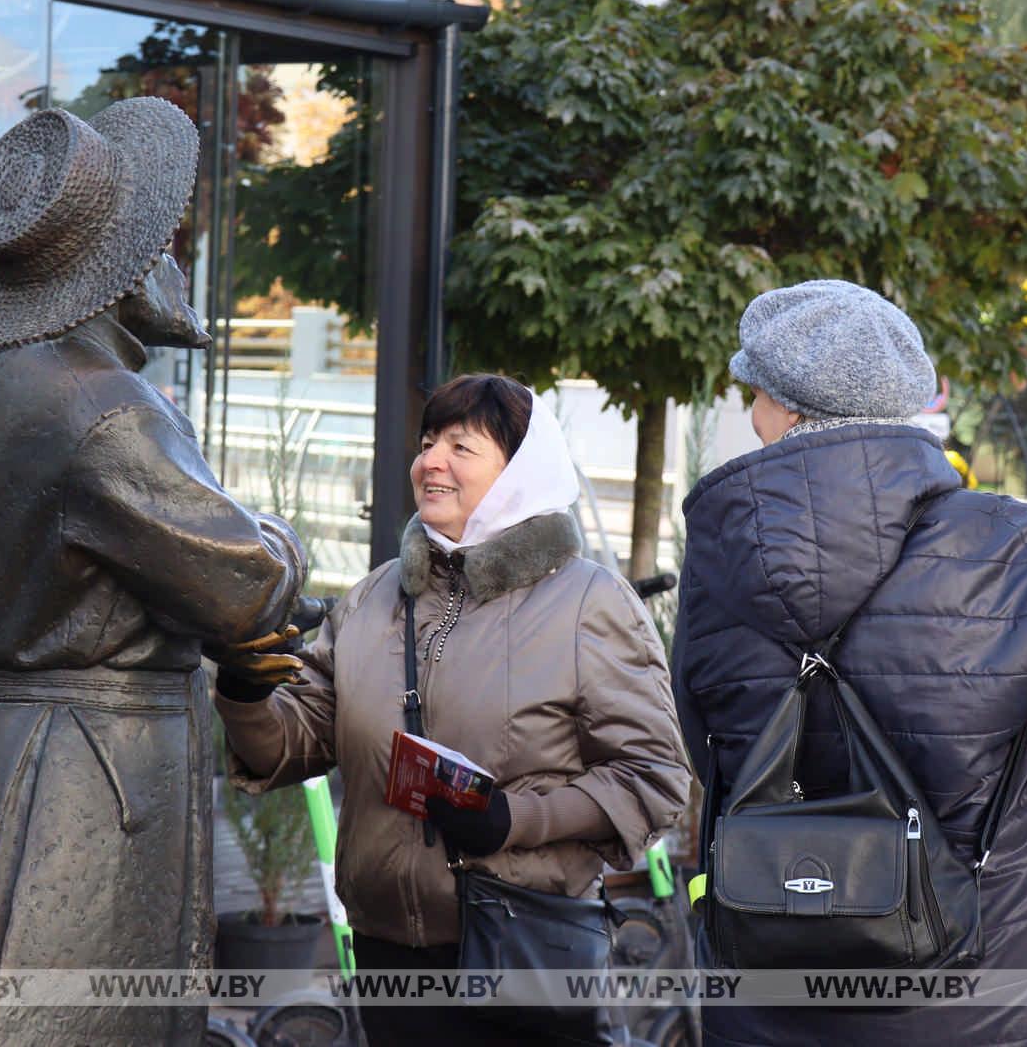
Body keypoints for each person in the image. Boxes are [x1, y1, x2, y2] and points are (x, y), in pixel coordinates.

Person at [0, 98, 306, 1047]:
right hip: (89, 781)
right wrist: (282, 537)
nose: (174, 265)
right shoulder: (108, 408)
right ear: (120, 274)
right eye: (161, 246)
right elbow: (248, 584)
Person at [672, 279, 1027, 1047]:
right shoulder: (1020, 546)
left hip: (774, 993)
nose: (752, 418)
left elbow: (710, 751)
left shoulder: (715, 563)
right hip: (999, 993)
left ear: (789, 408)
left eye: (754, 396)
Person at [213, 373, 694, 1046]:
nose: (430, 460)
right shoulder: (374, 597)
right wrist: (245, 691)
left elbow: (653, 778)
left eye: (461, 447)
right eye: (428, 441)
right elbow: (293, 742)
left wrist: (512, 821)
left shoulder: (590, 603)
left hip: (521, 951)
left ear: (522, 473)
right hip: (388, 958)